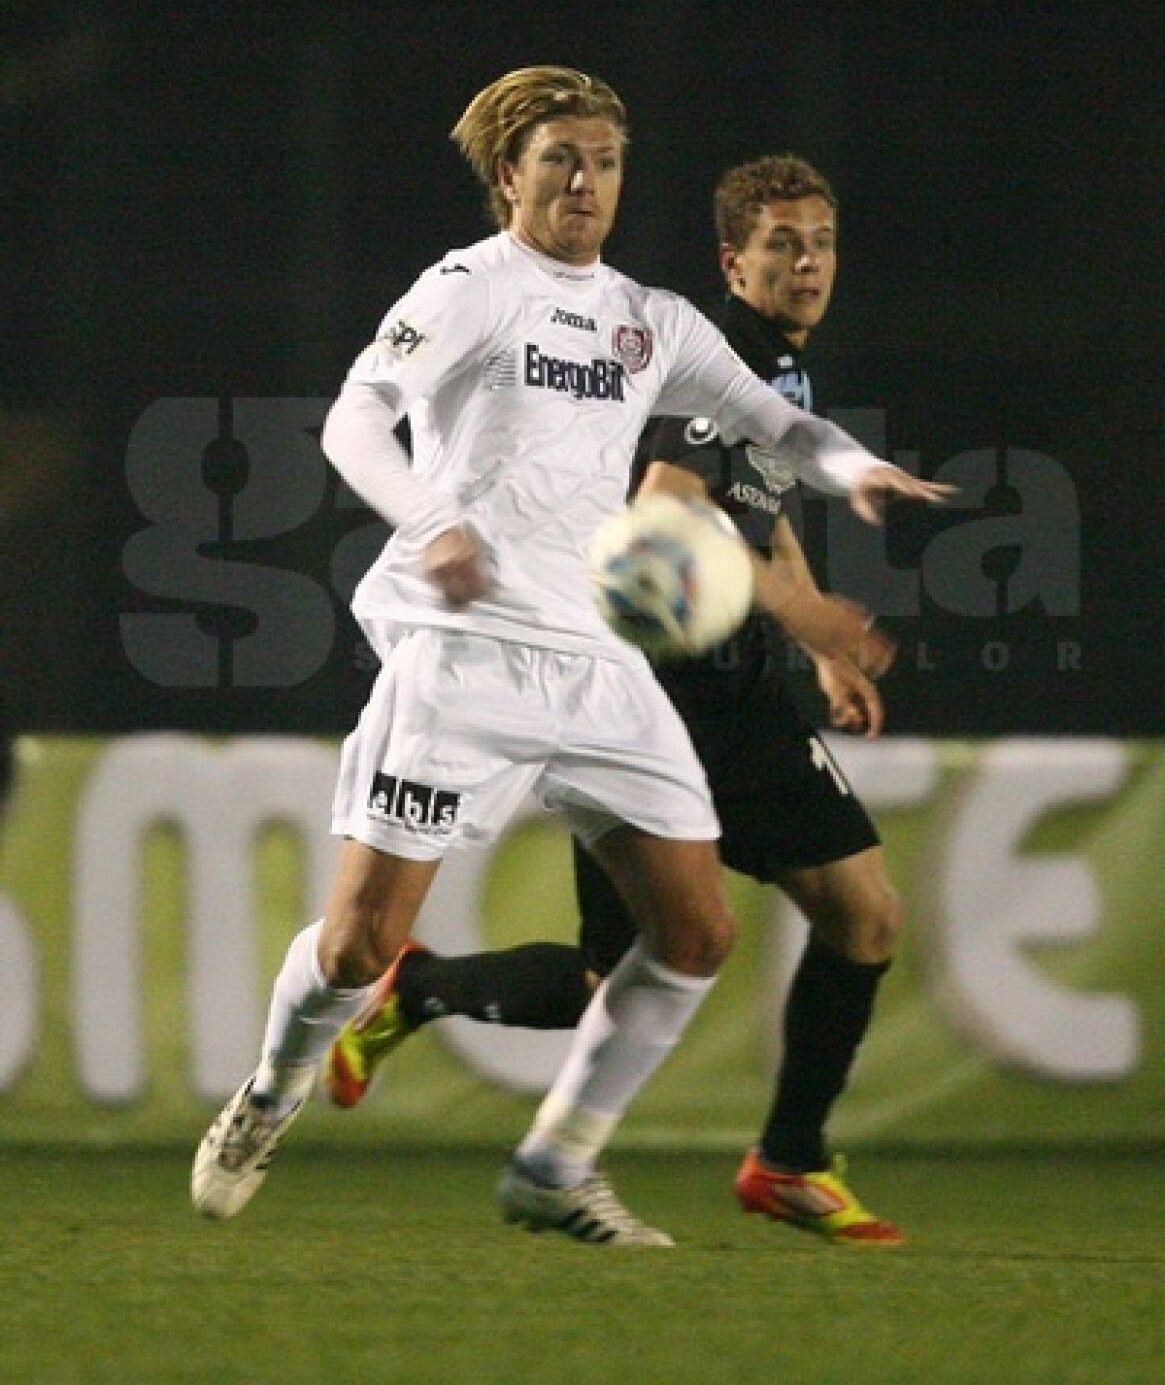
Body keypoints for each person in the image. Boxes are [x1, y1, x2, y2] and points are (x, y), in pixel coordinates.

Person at [191, 72, 951, 1247]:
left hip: (598, 667)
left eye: (602, 160)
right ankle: (271, 1092)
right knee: (357, 947)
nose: (585, 181)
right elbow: (356, 414)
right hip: (467, 652)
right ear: (510, 177)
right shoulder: (472, 287)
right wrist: (430, 523)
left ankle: (554, 1166)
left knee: (693, 935)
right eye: (559, 160)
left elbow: (775, 423)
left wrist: (854, 470)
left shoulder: (648, 319)